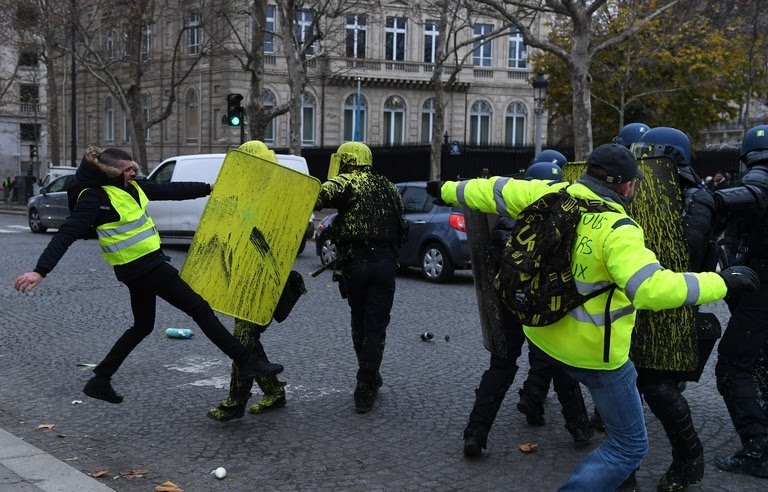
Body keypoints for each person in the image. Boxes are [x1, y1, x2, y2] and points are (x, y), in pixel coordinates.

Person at [427, 143, 759, 490]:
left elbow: (493, 189)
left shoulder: (550, 193)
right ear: (628, 186)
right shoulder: (618, 230)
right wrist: (722, 282)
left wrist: (446, 189)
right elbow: (651, 289)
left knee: (617, 425)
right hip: (596, 356)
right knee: (629, 445)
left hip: (544, 337)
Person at [13, 146, 282, 404]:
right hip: (146, 269)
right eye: (127, 170)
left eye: (133, 168)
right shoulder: (95, 198)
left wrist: (210, 188)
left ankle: (100, 379)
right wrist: (40, 271)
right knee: (200, 309)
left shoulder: (134, 187)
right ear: (110, 172)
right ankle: (246, 362)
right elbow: (67, 233)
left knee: (142, 326)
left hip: (141, 268)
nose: (133, 173)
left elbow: (171, 190)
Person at [463, 160, 593, 458]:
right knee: (560, 364)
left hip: (510, 303)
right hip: (545, 306)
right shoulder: (563, 221)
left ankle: (475, 434)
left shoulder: (505, 222)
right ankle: (578, 426)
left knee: (501, 366)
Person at [629, 126, 720, 490]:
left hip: (673, 303)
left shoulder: (696, 199)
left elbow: (689, 253)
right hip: (638, 298)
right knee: (630, 380)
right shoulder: (642, 190)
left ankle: (688, 458)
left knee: (656, 383)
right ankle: (625, 463)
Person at [314, 141, 404, 413]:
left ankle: (365, 384)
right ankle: (369, 379)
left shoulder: (347, 181)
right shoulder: (389, 187)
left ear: (346, 161)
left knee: (359, 321)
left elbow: (316, 196)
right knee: (376, 327)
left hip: (357, 264)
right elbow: (401, 223)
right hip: (386, 264)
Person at [207, 140, 292, 422]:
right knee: (246, 340)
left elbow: (266, 240)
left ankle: (236, 402)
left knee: (243, 340)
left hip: (264, 281)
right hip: (247, 278)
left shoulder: (275, 197)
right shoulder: (253, 195)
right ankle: (273, 391)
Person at [712, 124, 768, 478]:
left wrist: (714, 200)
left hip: (761, 292)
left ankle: (758, 448)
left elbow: (757, 189)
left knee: (733, 366)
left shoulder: (758, 180)